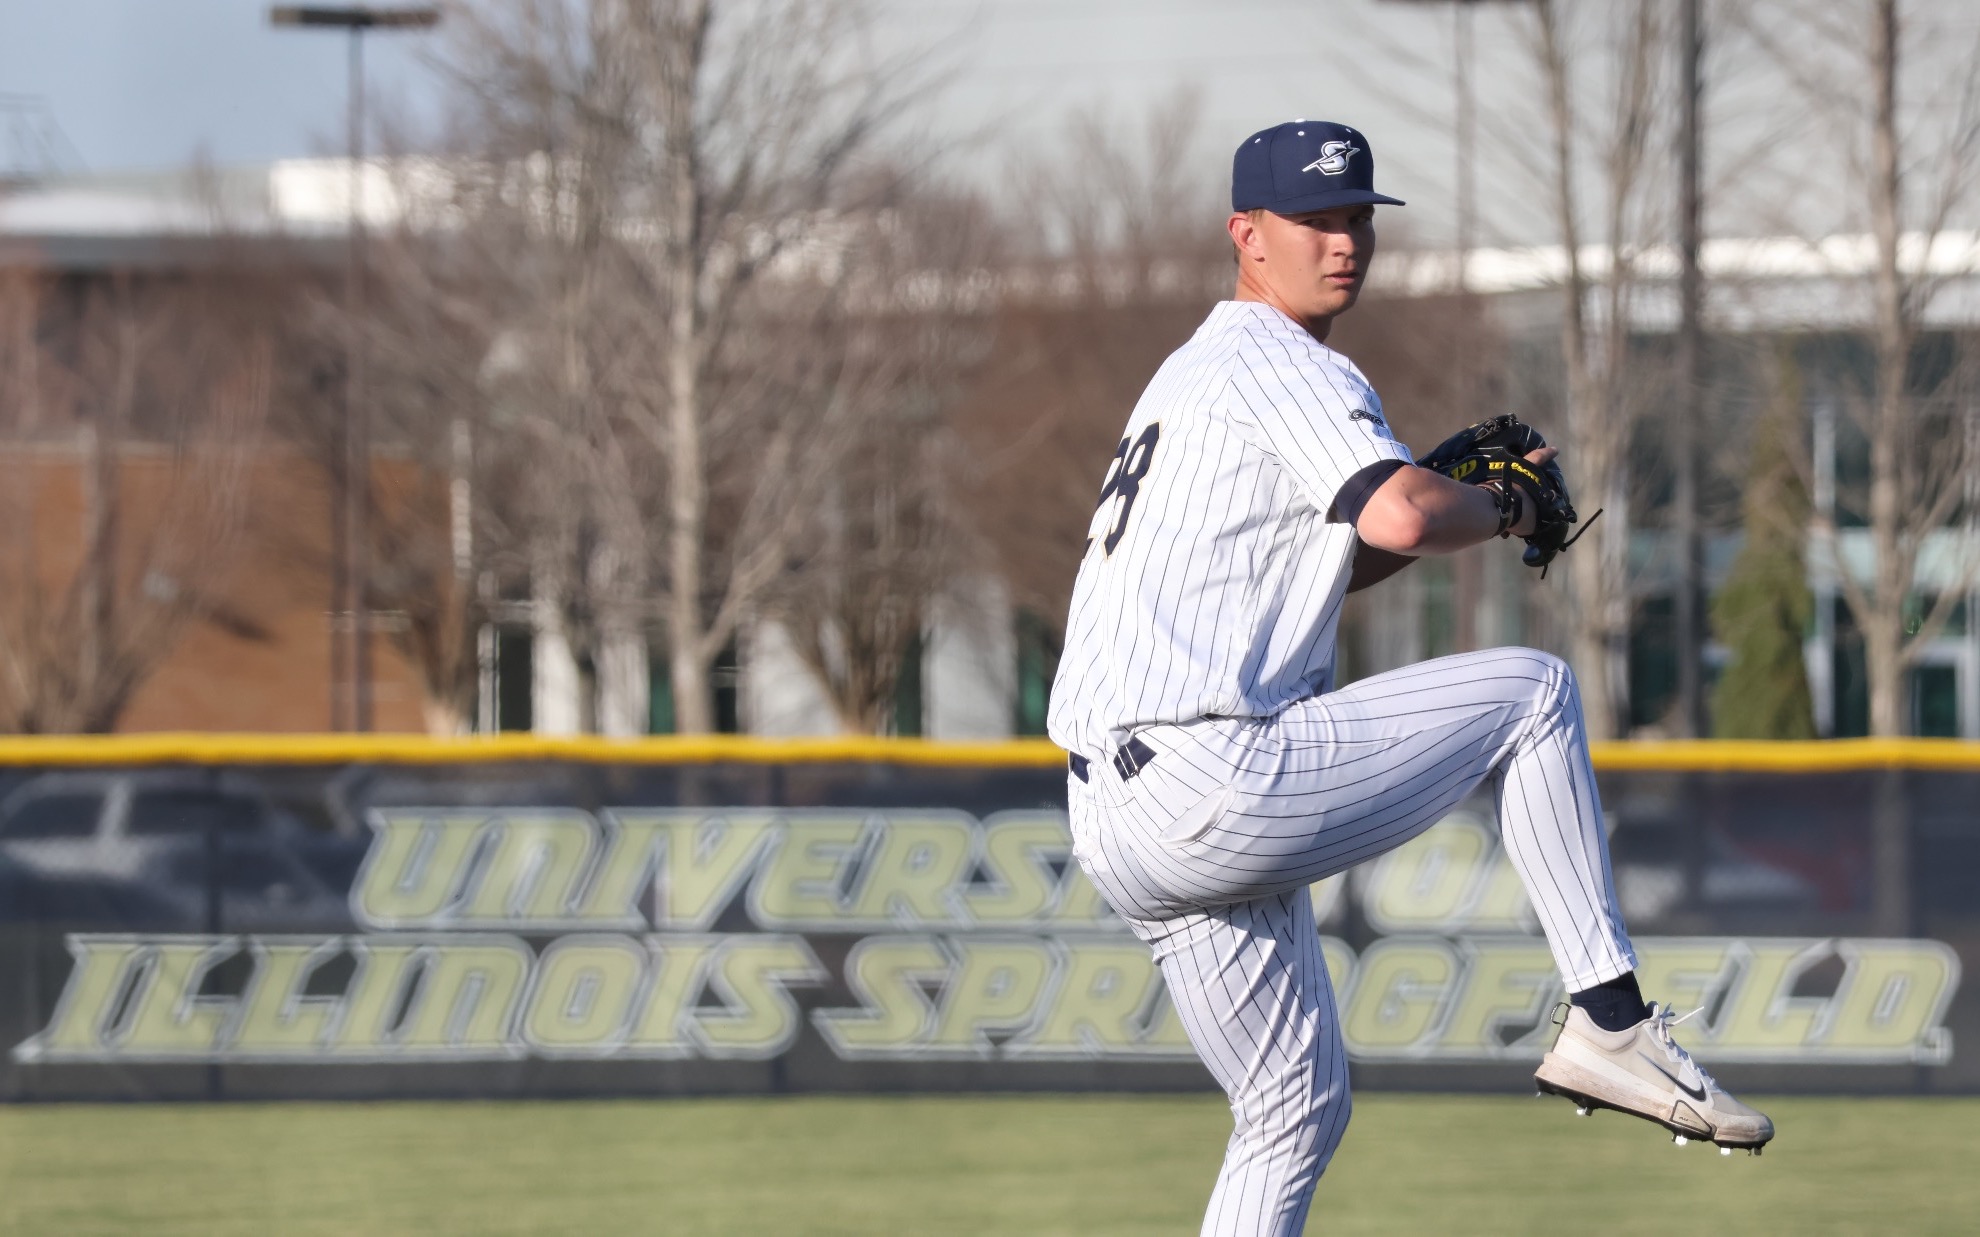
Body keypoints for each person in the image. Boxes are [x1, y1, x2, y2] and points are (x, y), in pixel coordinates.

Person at [1047, 120, 1772, 1237]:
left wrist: (1441, 499)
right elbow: (1397, 510)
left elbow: (1338, 554)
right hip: (1207, 773)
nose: (1343, 244)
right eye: (1314, 220)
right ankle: (1611, 1023)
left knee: (1292, 1108)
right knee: (1534, 695)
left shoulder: (1191, 375)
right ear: (1246, 235)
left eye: (1355, 219)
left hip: (1116, 809)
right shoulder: (1282, 358)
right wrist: (1505, 505)